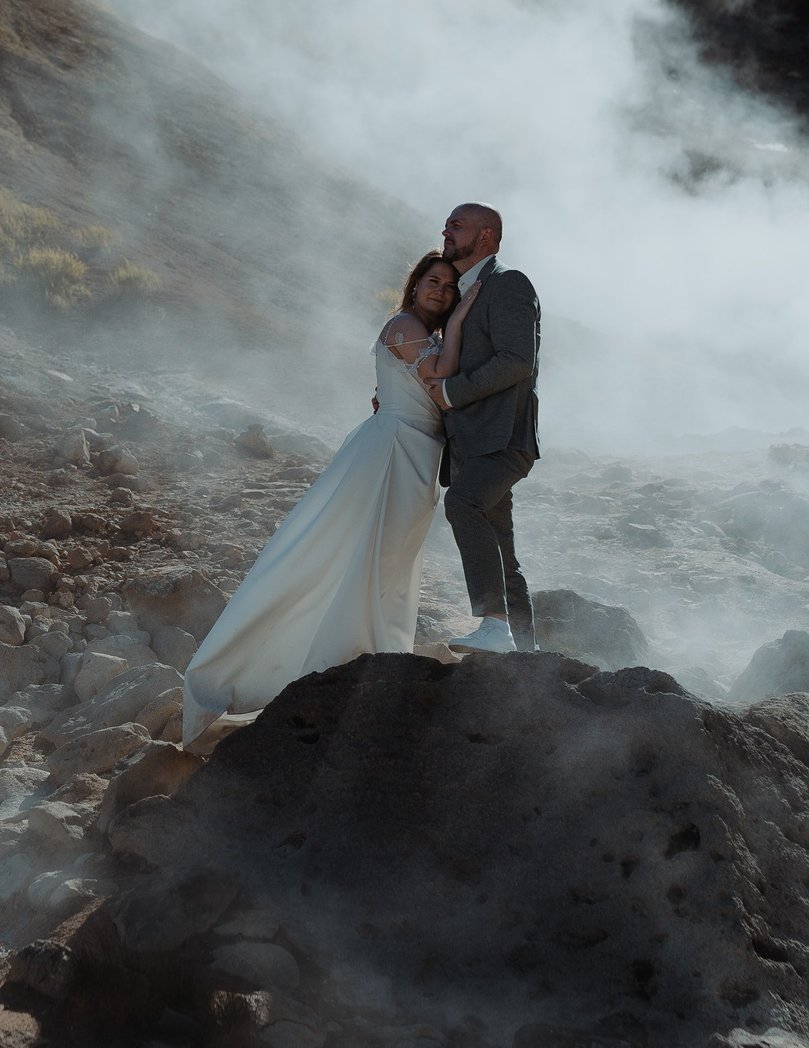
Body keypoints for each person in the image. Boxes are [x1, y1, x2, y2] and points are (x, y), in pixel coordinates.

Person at [181, 252, 477, 744]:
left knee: (391, 562)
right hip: (388, 452)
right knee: (355, 554)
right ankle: (312, 665)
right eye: (433, 281)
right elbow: (441, 377)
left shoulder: (431, 334)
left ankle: (369, 657)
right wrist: (465, 315)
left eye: (450, 287)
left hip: (418, 458)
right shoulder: (404, 324)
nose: (441, 292)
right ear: (415, 284)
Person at [430, 202, 540, 655]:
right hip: (472, 445)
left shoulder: (508, 283)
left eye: (457, 224)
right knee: (504, 554)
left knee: (463, 502)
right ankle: (526, 655)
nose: (446, 229)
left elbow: (518, 360)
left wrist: (453, 392)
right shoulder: (463, 292)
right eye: (447, 224)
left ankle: (494, 624)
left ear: (487, 236)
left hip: (503, 438)